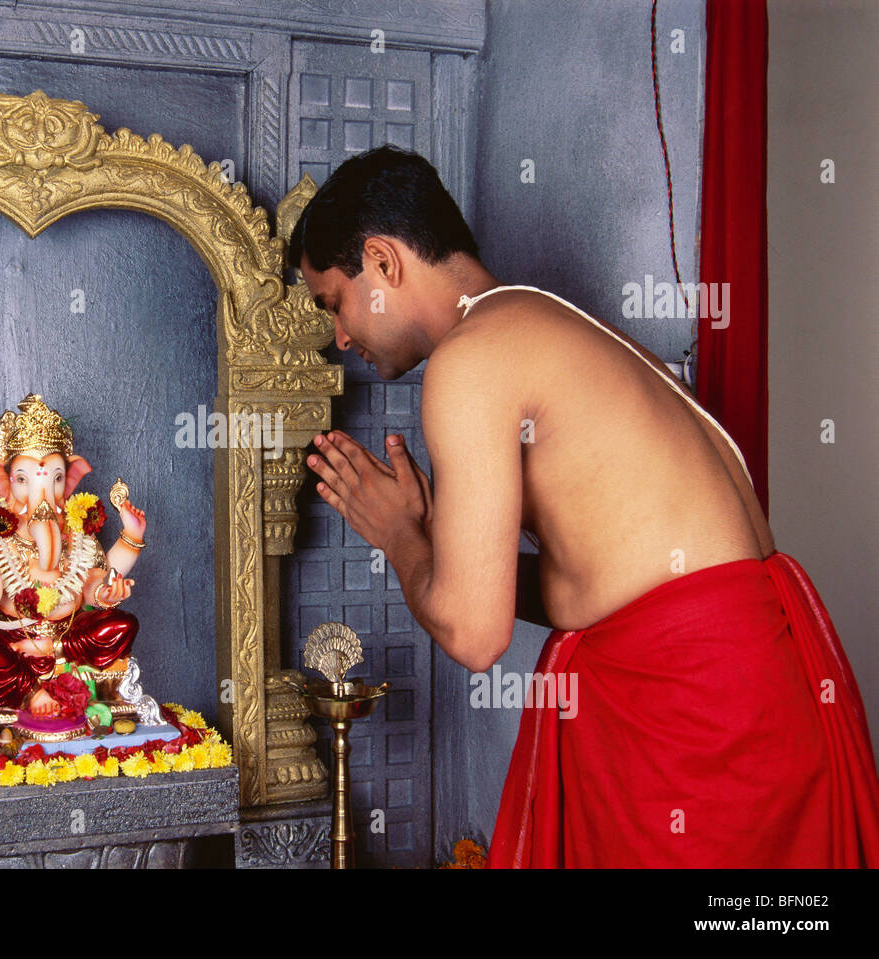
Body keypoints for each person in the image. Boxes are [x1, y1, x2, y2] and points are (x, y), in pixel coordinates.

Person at [293, 144, 879, 867]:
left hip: (698, 719)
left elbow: (476, 637)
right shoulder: (559, 324)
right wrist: (449, 538)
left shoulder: (471, 360)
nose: (342, 337)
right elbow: (602, 586)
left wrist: (403, 537)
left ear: (383, 262)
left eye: (334, 303)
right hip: (765, 696)